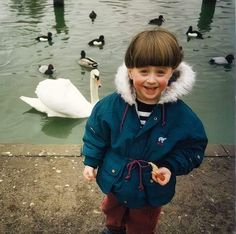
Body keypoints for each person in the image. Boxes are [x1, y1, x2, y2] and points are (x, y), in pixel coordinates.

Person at [82, 29, 208, 234]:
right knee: (112, 211)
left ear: (172, 73)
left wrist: (169, 166)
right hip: (116, 178)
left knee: (142, 224)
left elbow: (193, 148)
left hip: (150, 187)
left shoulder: (183, 117)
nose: (151, 80)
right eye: (143, 71)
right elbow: (96, 135)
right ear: (130, 71)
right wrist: (90, 161)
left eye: (160, 72)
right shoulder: (109, 107)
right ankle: (114, 229)